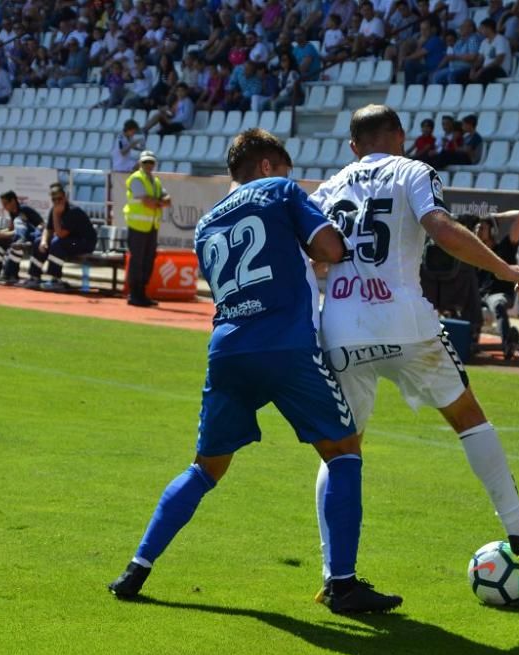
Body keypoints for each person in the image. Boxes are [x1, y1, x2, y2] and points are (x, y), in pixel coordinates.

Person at [108, 128, 403, 615]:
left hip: (227, 349)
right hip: (286, 344)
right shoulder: (281, 191)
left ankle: (136, 570)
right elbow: (330, 249)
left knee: (205, 469)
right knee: (344, 452)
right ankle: (344, 586)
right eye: (285, 169)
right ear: (268, 167)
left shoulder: (205, 224)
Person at [309, 105, 519, 595]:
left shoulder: (330, 187)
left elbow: (310, 252)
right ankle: (516, 526)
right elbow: (442, 229)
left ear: (353, 146)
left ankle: (334, 574)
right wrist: (505, 271)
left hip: (338, 325)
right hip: (405, 322)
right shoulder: (414, 170)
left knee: (341, 452)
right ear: (400, 137)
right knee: (468, 417)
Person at [471, 211, 519, 360]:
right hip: (480, 296)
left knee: (497, 304)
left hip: (500, 294)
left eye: (482, 228)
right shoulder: (473, 253)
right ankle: (469, 345)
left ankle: (507, 346)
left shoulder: (505, 248)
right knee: (465, 303)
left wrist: (497, 217)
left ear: (492, 231)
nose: (477, 231)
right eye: (476, 228)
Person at [22, 183, 97, 291]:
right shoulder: (54, 209)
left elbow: (61, 233)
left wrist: (56, 215)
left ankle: (56, 280)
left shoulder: (73, 211)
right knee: (38, 241)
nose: (57, 202)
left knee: (57, 243)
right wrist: (43, 242)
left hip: (84, 243)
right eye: (54, 200)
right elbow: (48, 229)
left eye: (59, 198)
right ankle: (34, 277)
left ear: (65, 197)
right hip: (70, 241)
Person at [122, 150, 171, 308]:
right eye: (145, 162)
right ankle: (134, 294)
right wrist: (159, 202)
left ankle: (141, 293)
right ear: (140, 163)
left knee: (148, 260)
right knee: (137, 260)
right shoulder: (137, 178)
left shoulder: (155, 181)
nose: (148, 165)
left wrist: (156, 201)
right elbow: (146, 202)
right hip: (138, 226)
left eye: (151, 162)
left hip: (151, 225)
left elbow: (168, 200)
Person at [0, 191, 45, 283]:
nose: (4, 207)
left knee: (16, 240)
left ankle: (10, 274)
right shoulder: (12, 212)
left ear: (13, 201)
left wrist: (2, 234)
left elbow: (41, 225)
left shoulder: (24, 209)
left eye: (5, 203)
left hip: (31, 237)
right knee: (0, 240)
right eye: (3, 204)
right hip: (20, 237)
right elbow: (12, 229)